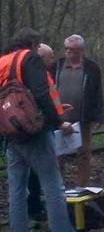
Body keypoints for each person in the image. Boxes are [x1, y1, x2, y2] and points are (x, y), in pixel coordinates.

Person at [1, 28, 94, 232]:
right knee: (53, 184)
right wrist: (57, 121)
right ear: (32, 44)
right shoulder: (28, 58)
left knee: (16, 189)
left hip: (11, 133)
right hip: (33, 132)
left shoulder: (2, 61)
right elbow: (41, 94)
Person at [54, 34, 104, 185]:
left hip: (84, 117)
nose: (69, 52)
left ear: (81, 50)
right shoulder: (57, 65)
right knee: (58, 154)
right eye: (66, 49)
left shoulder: (92, 68)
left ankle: (83, 185)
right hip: (60, 118)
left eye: (73, 49)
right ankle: (58, 186)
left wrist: (98, 116)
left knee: (83, 153)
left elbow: (97, 92)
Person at [27, 43, 67, 220]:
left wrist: (59, 109)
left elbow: (49, 100)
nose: (53, 61)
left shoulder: (43, 75)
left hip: (46, 123)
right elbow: (41, 101)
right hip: (42, 129)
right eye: (50, 57)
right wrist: (59, 122)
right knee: (46, 177)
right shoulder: (37, 77)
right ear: (40, 58)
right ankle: (53, 220)